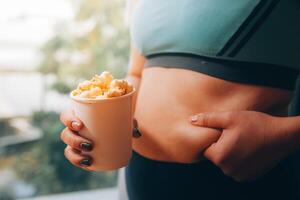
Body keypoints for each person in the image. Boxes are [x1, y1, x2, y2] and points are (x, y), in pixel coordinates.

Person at [59, 0, 300, 199]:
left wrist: (285, 134)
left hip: (240, 178)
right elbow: (136, 74)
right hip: (142, 178)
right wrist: (94, 118)